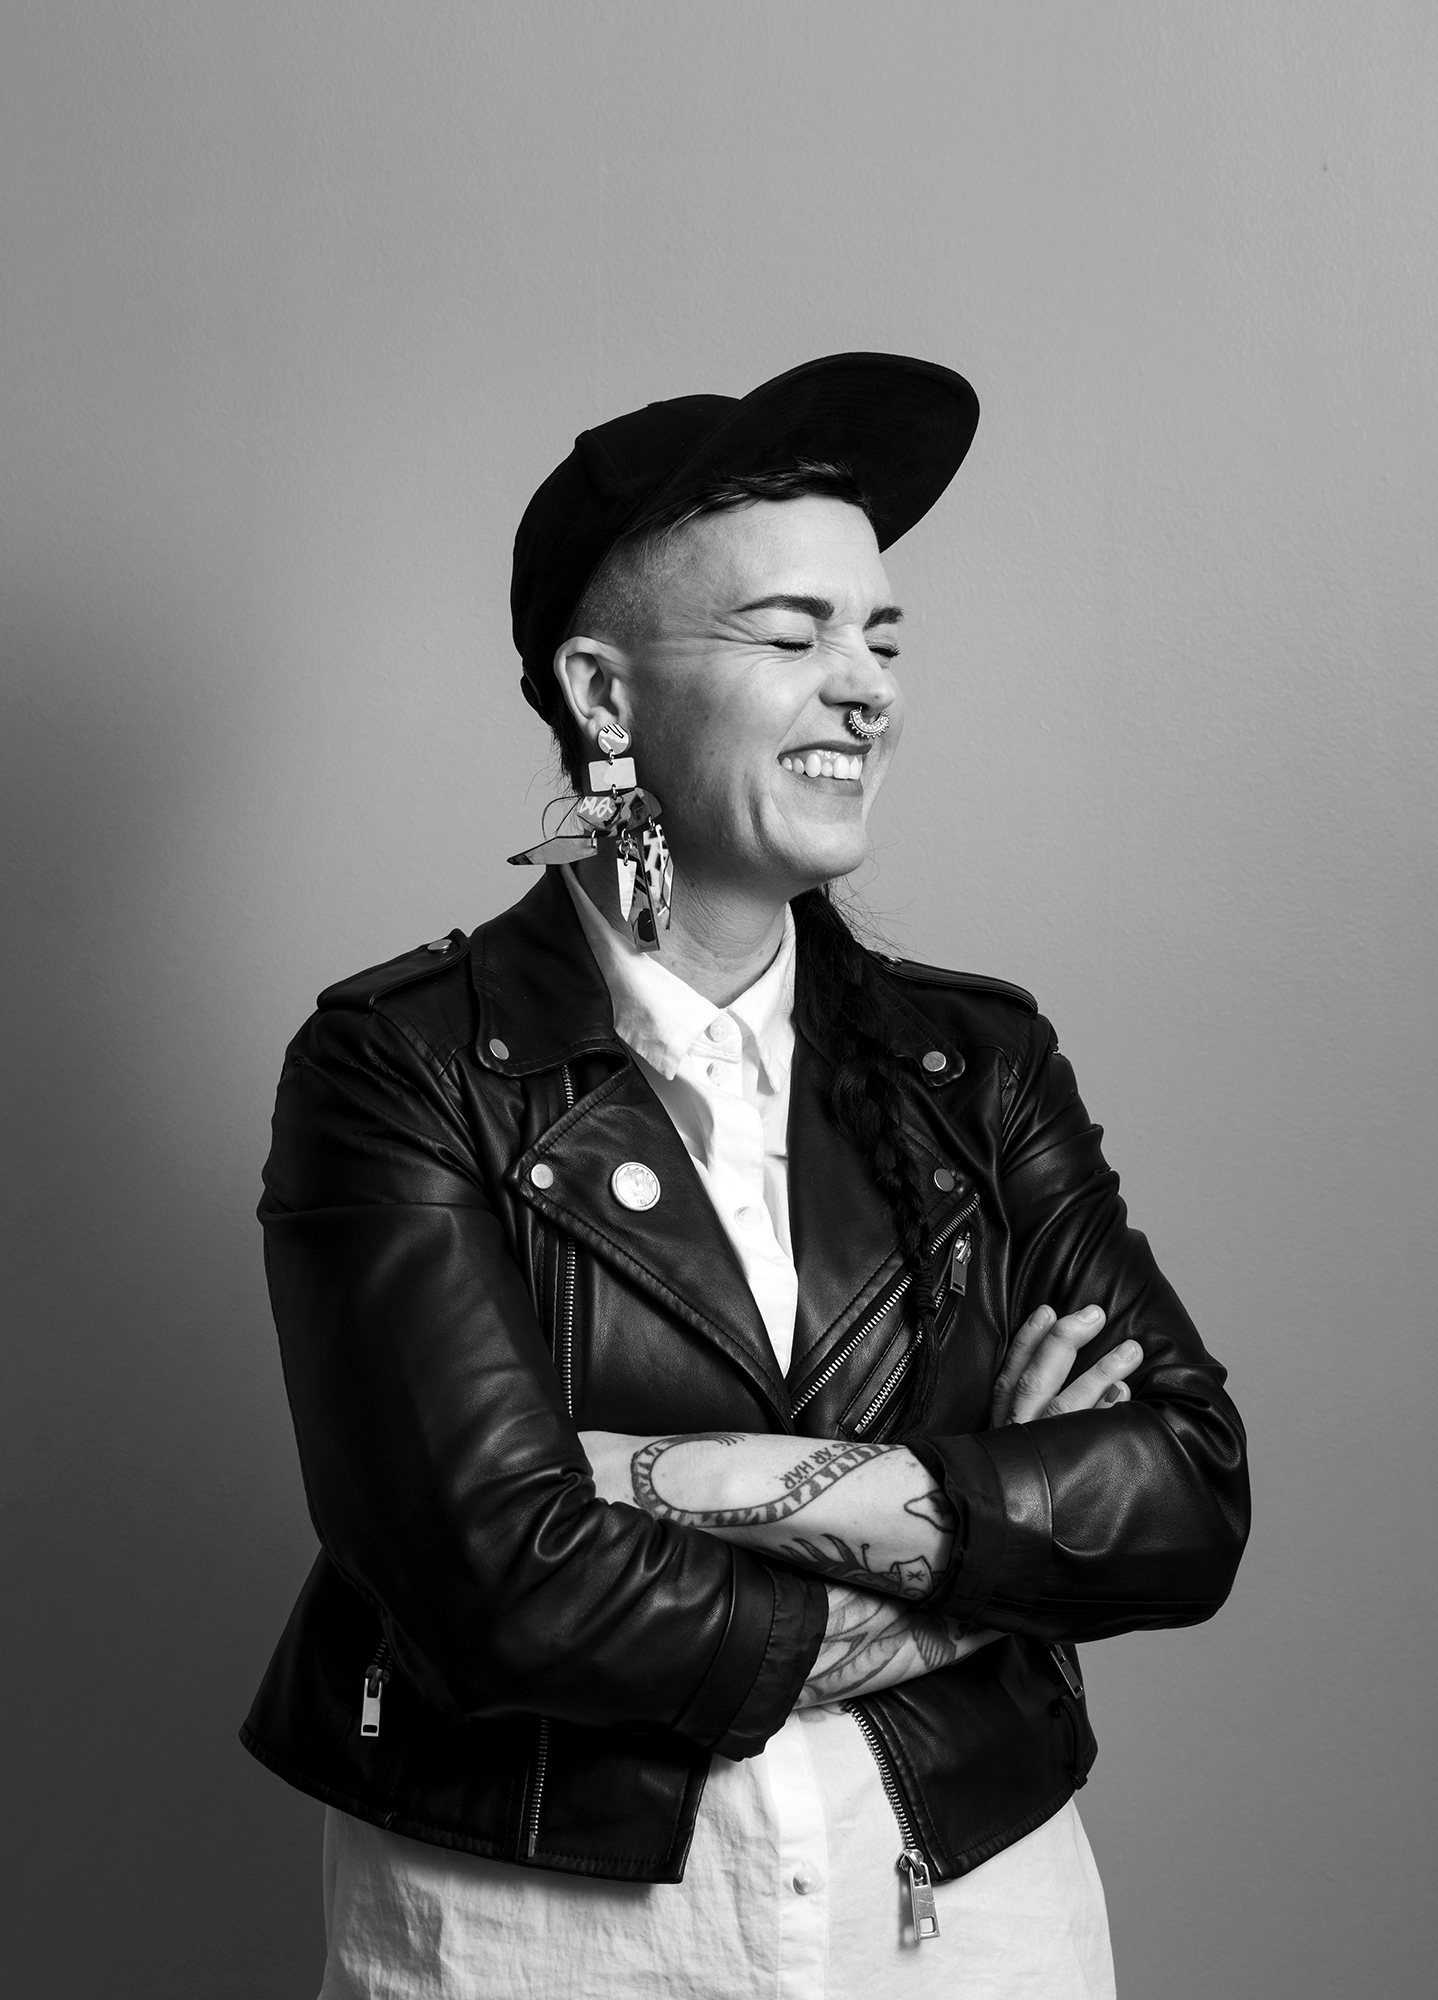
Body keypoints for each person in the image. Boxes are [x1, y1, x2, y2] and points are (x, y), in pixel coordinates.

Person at [243, 353, 1250, 1998]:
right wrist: (987, 1530)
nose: (866, 690)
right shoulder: (398, 1066)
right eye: (790, 637)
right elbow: (488, 1582)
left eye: (880, 639)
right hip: (543, 1924)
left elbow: (1184, 1494)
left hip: (967, 1907)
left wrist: (667, 1476)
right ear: (604, 696)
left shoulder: (976, 1061)